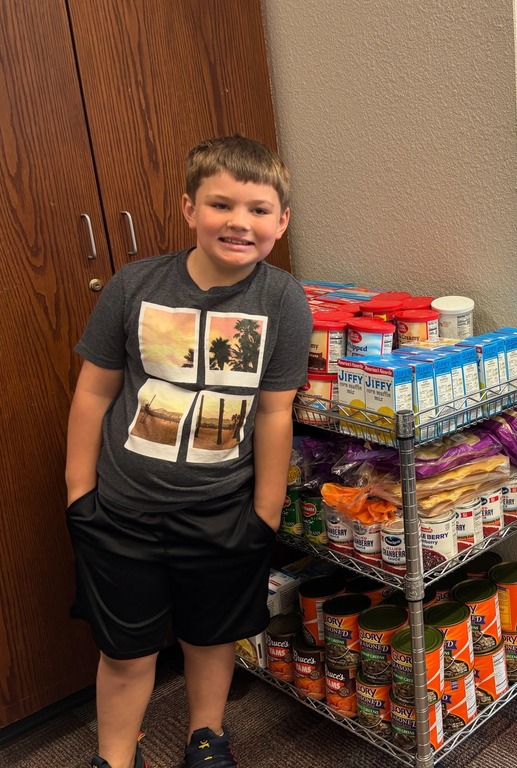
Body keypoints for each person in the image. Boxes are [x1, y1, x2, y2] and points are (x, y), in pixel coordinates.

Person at [65, 135, 313, 768]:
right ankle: (115, 755)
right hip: (121, 511)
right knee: (125, 651)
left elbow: (275, 410)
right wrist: (78, 495)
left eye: (259, 209)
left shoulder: (282, 299)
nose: (239, 222)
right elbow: (93, 392)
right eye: (220, 204)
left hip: (223, 511)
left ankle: (206, 735)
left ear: (281, 222)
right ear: (188, 208)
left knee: (212, 635)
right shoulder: (134, 285)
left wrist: (266, 511)